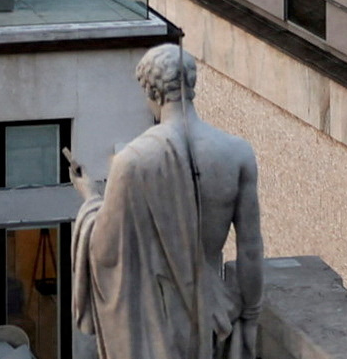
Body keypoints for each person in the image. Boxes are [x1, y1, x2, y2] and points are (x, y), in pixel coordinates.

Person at [71, 39, 267, 359]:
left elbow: (104, 248)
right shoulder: (237, 152)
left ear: (154, 93)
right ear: (191, 86)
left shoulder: (132, 161)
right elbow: (250, 248)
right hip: (216, 313)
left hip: (157, 323)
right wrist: (250, 318)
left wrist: (90, 197)